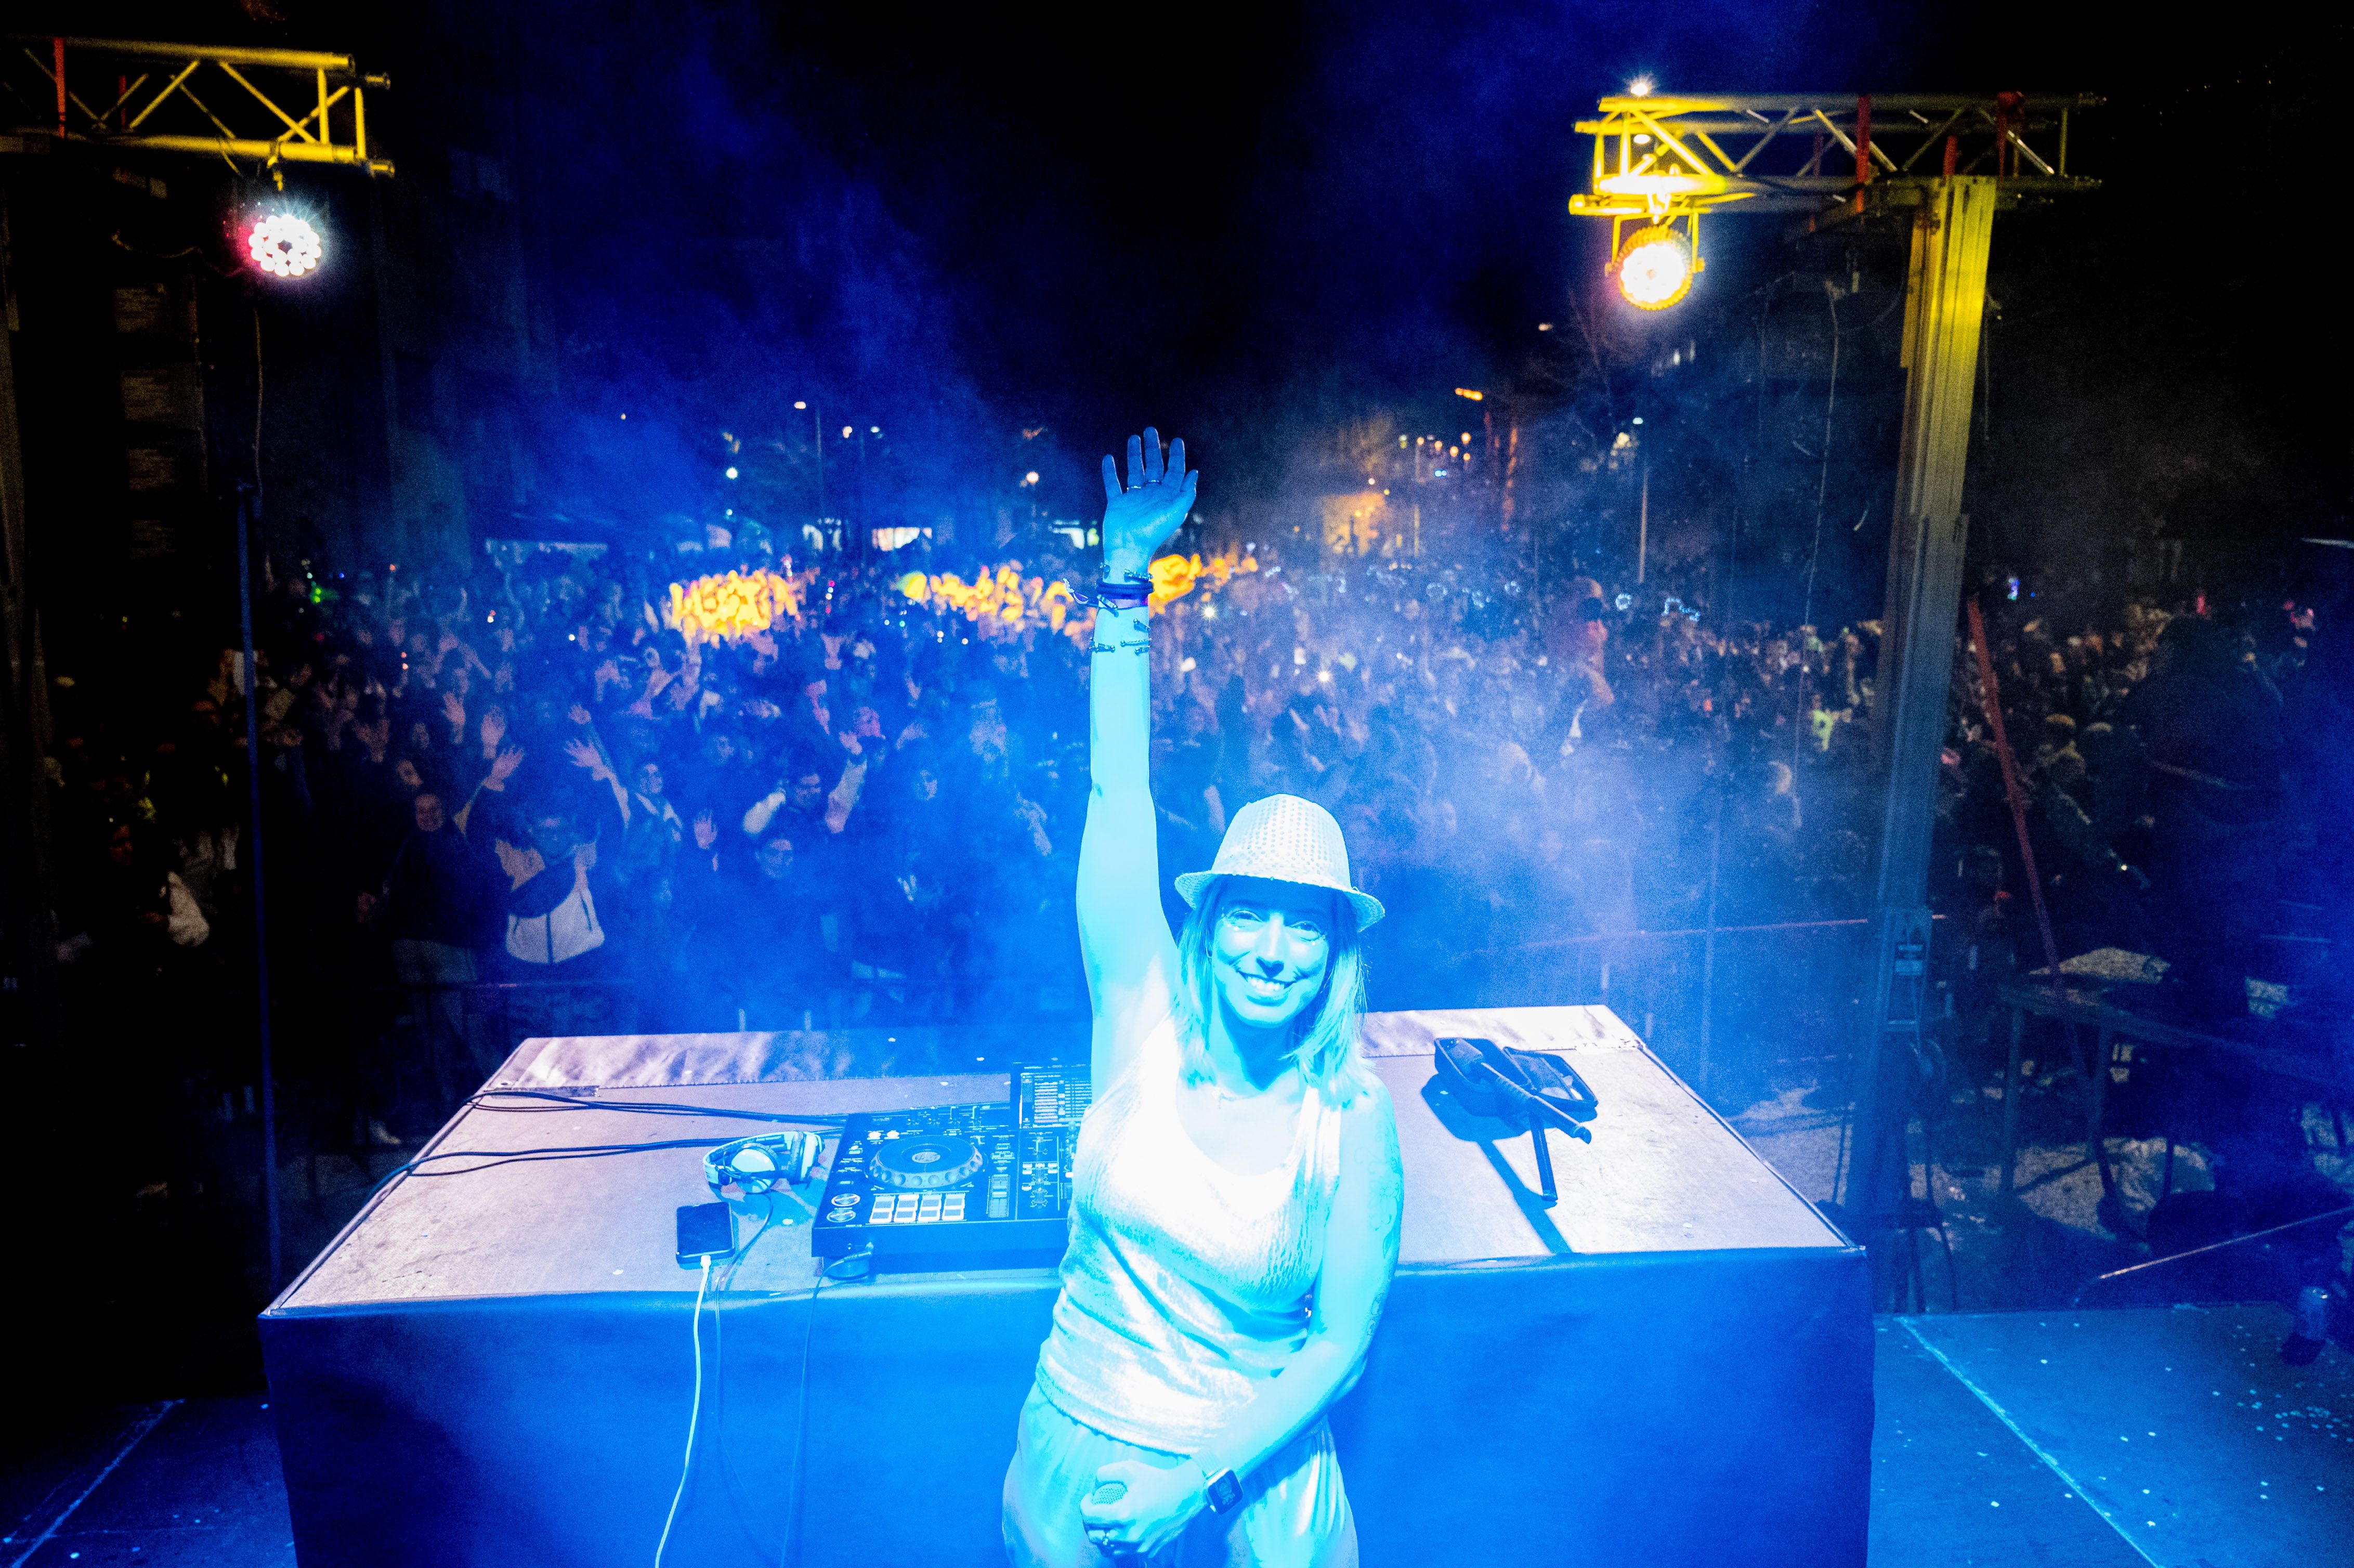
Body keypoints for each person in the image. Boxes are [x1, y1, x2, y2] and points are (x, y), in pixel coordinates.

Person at [1003, 430, 1403, 1567]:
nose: (1271, 948)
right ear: (1206, 920)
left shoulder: (1353, 1120)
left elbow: (1336, 1346)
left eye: (1304, 924)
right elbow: (1114, 793)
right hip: (1076, 1464)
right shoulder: (1135, 1014)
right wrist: (1122, 584)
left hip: (1254, 1489)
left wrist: (1197, 1482)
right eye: (1249, 913)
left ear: (1336, 955)